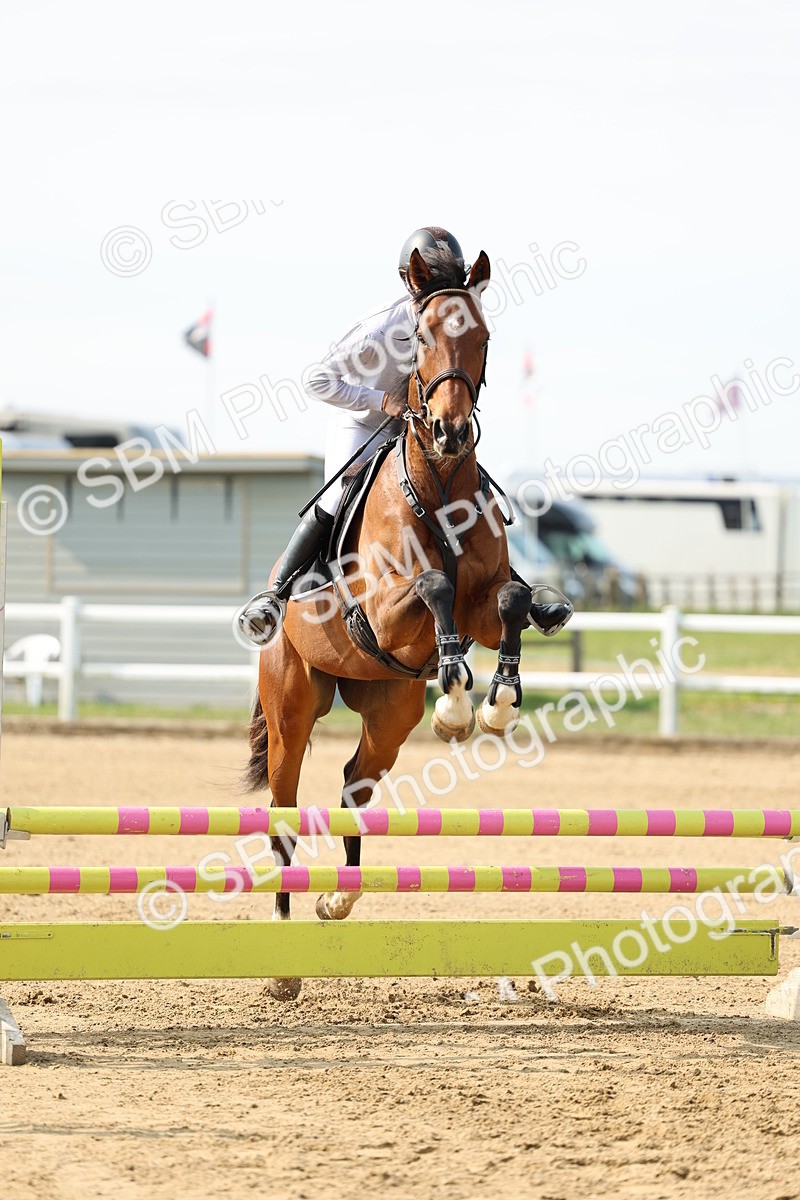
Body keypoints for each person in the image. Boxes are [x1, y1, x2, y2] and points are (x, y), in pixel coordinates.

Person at [238, 226, 572, 647]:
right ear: (410, 281)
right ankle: (277, 593)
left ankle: (519, 590)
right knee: (337, 496)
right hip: (362, 421)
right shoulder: (380, 328)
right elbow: (316, 379)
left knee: (471, 489)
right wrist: (381, 400)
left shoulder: (455, 319)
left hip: (421, 424)